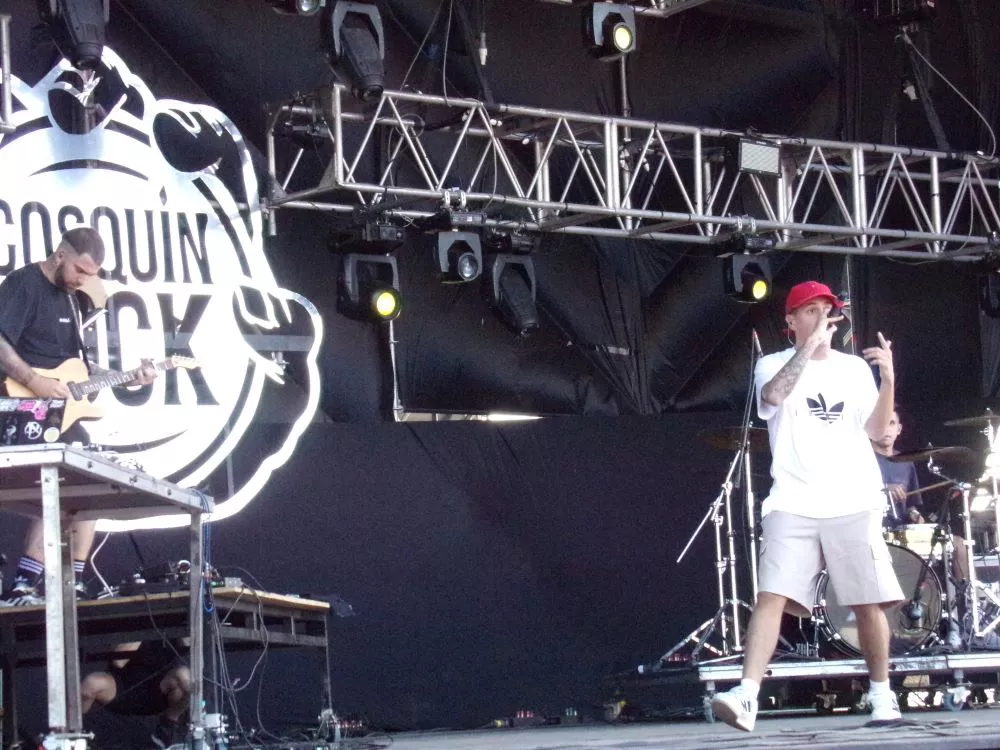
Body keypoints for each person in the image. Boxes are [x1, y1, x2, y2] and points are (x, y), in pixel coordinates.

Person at [710, 280, 903, 732]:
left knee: (867, 602)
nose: (822, 317)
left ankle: (882, 695)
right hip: (792, 501)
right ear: (791, 320)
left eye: (827, 309)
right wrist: (809, 348)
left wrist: (888, 381)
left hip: (853, 498)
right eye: (811, 310)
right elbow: (774, 397)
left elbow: (878, 432)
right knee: (771, 595)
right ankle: (747, 695)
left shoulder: (854, 369)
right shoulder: (772, 364)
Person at [0, 227, 156, 605]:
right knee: (62, 478)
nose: (83, 280)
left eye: (91, 275)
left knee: (92, 479)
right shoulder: (24, 284)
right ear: (60, 256)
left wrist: (127, 377)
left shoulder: (71, 300)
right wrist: (34, 380)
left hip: (57, 412)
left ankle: (75, 583)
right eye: (80, 271)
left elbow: (78, 369)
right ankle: (23, 584)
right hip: (20, 407)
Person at [81, 639, 190, 748]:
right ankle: (77, 734)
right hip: (123, 686)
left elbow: (188, 647)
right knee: (91, 683)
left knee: (185, 676)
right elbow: (118, 662)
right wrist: (144, 630)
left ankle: (168, 727)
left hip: (161, 689)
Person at [872, 409, 924, 526]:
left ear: (899, 429)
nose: (886, 429)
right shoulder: (860, 459)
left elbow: (909, 505)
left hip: (897, 532)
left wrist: (914, 513)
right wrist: (884, 489)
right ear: (871, 428)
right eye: (881, 423)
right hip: (867, 530)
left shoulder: (906, 463)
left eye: (891, 423)